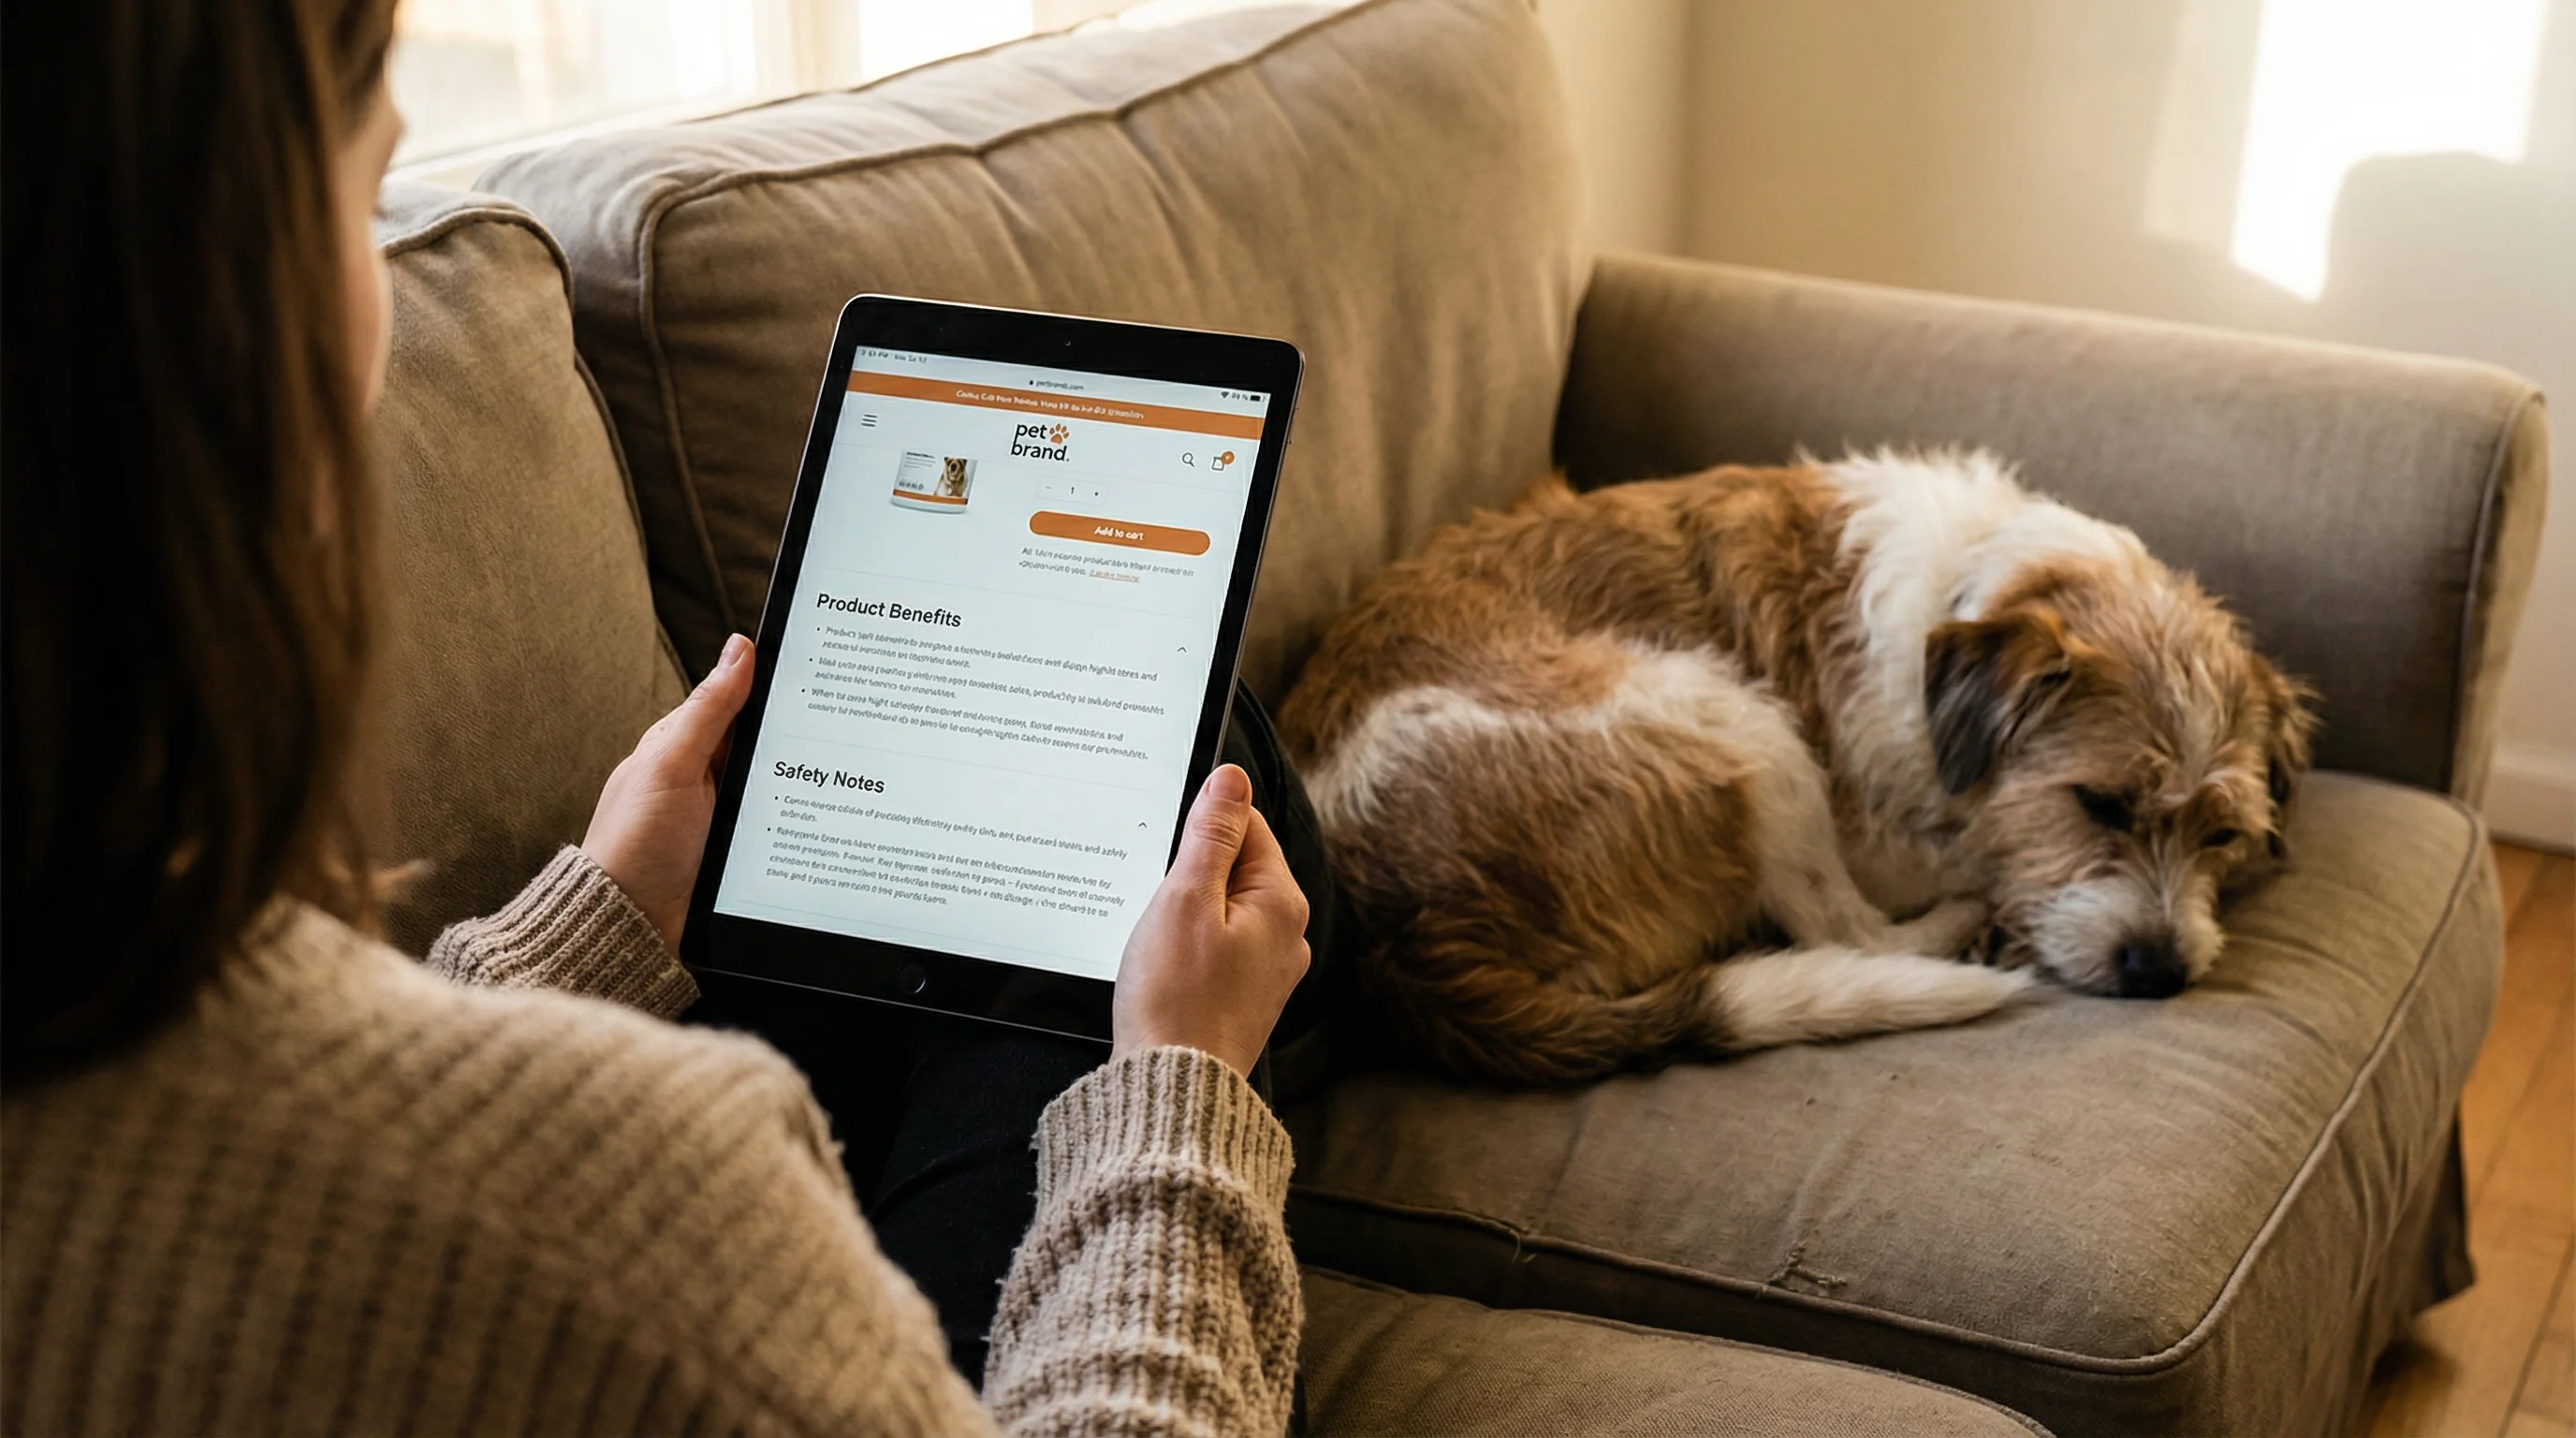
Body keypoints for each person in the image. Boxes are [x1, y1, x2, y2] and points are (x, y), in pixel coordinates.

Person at [1, 2, 1318, 1431]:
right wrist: (1180, 1095)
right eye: (366, 183)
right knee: (1211, 781)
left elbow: (285, 1166)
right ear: (245, 318)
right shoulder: (662, 1206)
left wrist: (596, 926)